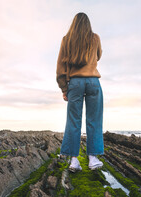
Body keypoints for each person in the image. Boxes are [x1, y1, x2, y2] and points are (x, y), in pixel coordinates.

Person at [56, 12, 104, 172]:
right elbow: (99, 55)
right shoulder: (95, 38)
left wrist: (64, 88)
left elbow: (60, 68)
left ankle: (74, 161)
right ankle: (93, 158)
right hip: (92, 81)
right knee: (94, 120)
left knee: (73, 121)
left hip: (74, 83)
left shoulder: (66, 40)